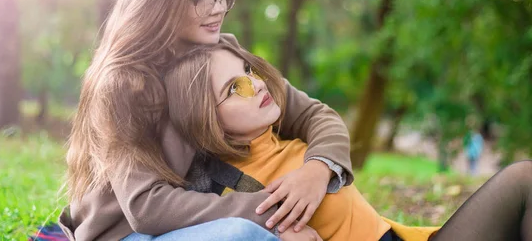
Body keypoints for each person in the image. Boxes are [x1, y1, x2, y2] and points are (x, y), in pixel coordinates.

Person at [59, 0, 354, 241]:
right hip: (129, 234)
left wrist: (317, 172)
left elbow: (314, 115)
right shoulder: (123, 82)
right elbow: (146, 207)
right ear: (159, 1)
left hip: (201, 217)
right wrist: (276, 214)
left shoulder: (224, 53)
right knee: (243, 234)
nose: (217, 8)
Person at [163, 44, 532, 241]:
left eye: (248, 71)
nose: (256, 84)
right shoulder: (232, 191)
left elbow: (324, 118)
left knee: (524, 179)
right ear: (208, 119)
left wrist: (318, 167)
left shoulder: (287, 138)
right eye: (235, 88)